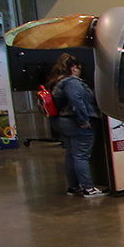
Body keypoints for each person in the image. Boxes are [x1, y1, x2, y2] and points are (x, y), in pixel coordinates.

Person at [47, 53, 104, 197]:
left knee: (71, 155)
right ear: (73, 68)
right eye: (78, 68)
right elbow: (77, 100)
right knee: (81, 156)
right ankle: (88, 188)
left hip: (61, 122)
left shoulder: (57, 81)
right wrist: (84, 120)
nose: (80, 71)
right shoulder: (72, 82)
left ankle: (74, 187)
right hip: (75, 122)